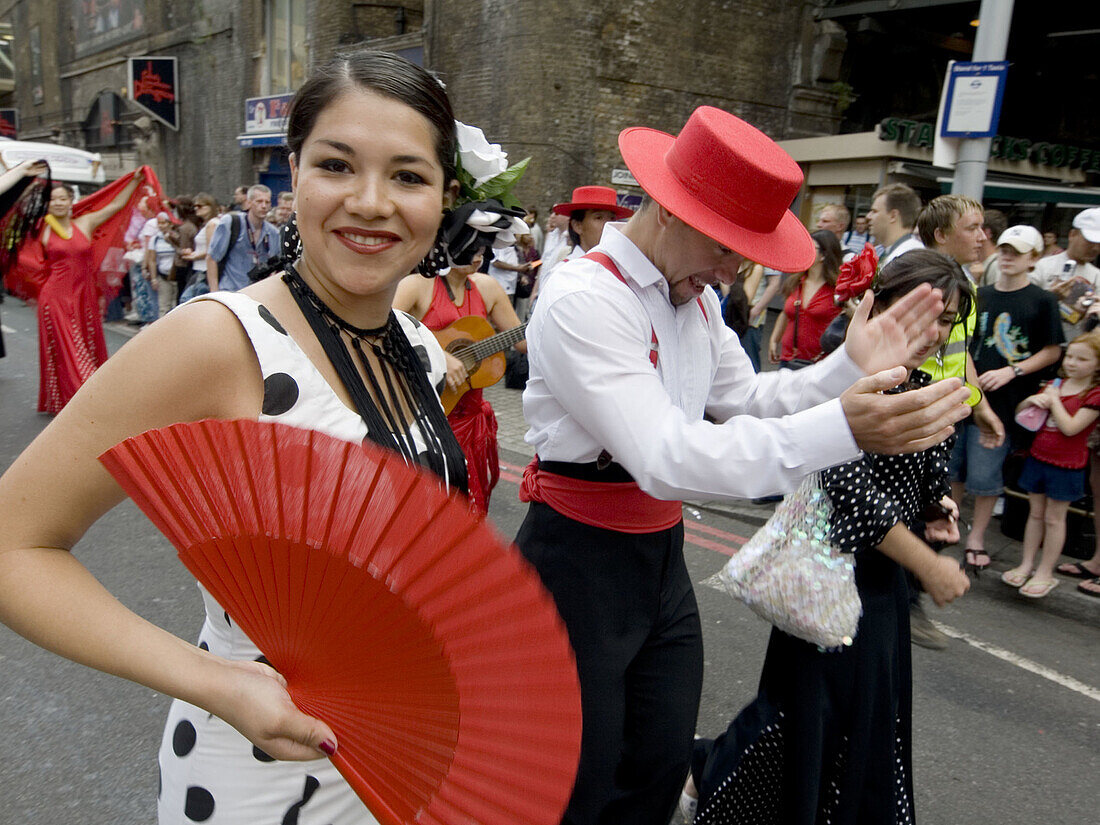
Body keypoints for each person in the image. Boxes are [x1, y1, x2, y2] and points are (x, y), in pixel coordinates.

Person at [0, 49, 471, 824]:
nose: (371, 200)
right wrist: (214, 681)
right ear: (294, 174)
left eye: (409, 176)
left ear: (442, 198)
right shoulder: (218, 342)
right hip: (259, 775)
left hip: (400, 763)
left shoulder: (416, 349)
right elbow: (17, 545)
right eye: (336, 164)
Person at [515, 105, 971, 825]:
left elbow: (750, 397)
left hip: (657, 558)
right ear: (667, 209)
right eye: (726, 243)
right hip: (578, 560)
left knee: (658, 765)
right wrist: (844, 422)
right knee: (574, 778)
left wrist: (850, 363)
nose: (735, 268)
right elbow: (667, 456)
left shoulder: (692, 298)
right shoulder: (584, 296)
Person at [683, 249, 972, 825]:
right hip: (829, 577)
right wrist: (930, 566)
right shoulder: (852, 386)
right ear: (881, 308)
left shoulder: (923, 387)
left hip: (883, 589)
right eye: (922, 314)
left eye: (947, 320)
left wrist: (937, 507)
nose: (935, 333)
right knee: (804, 712)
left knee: (863, 717)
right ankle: (711, 780)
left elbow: (921, 475)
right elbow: (850, 494)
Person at [394, 240, 526, 516]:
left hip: (470, 419)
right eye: (472, 249)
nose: (478, 258)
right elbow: (379, 332)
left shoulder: (487, 287)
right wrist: (437, 355)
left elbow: (523, 342)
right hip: (425, 418)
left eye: (482, 251)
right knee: (421, 513)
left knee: (465, 515)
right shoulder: (416, 285)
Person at [962, 225, 1064, 574]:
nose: (1007, 257)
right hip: (966, 393)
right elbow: (963, 340)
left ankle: (976, 537)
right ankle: (945, 527)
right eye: (1004, 249)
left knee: (987, 471)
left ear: (1033, 259)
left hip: (1008, 401)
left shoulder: (1042, 300)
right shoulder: (979, 293)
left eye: (1017, 252)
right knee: (954, 467)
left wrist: (1013, 371)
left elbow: (1053, 350)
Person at [36, 174, 146, 413]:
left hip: (83, 296)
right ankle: (88, 397)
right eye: (53, 200)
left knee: (84, 342)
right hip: (54, 297)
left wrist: (134, 182)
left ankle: (70, 397)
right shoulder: (42, 228)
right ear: (47, 203)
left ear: (70, 200)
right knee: (69, 345)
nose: (58, 203)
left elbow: (116, 205)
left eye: (62, 199)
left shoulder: (85, 222)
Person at [1003, 331, 1100, 598]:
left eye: (1082, 359)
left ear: (1097, 364)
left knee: (1054, 518)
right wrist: (1032, 399)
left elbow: (1071, 428)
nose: (1072, 363)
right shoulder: (1057, 383)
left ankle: (1046, 571)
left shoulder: (1094, 394)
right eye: (1070, 356)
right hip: (1038, 457)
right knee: (1035, 514)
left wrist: (1054, 399)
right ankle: (1026, 563)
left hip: (1067, 466)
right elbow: (1024, 413)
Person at [768, 229, 843, 368]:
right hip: (788, 359)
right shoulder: (796, 282)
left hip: (819, 363)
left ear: (823, 255)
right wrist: (774, 339)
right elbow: (786, 313)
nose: (806, 251)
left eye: (811, 248)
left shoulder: (837, 289)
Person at [1030, 207, 1100, 341]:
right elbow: (1025, 304)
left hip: (1077, 350)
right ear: (1072, 235)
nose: (1095, 248)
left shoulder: (1097, 275)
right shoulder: (1042, 266)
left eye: (1099, 243)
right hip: (1041, 344)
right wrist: (1051, 296)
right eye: (1090, 242)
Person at [206, 184, 279, 293]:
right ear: (249, 203)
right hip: (230, 292)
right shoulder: (231, 223)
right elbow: (212, 258)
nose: (264, 206)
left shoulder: (273, 233)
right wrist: (214, 292)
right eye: (259, 201)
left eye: (267, 202)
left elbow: (274, 266)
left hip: (256, 295)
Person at [866, 182, 923, 267]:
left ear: (893, 216)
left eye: (874, 211)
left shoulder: (911, 258)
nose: (868, 216)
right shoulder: (888, 252)